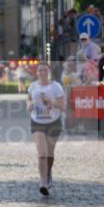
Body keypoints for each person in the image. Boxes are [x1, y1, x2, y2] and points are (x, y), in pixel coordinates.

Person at [26, 62, 65, 196]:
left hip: (53, 122)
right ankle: (43, 183)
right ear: (37, 72)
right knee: (42, 153)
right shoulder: (33, 86)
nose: (42, 72)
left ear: (48, 72)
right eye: (40, 70)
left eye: (45, 70)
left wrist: (50, 101)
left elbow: (63, 106)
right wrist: (29, 105)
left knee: (49, 154)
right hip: (37, 122)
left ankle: (48, 174)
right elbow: (29, 100)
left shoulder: (56, 87)